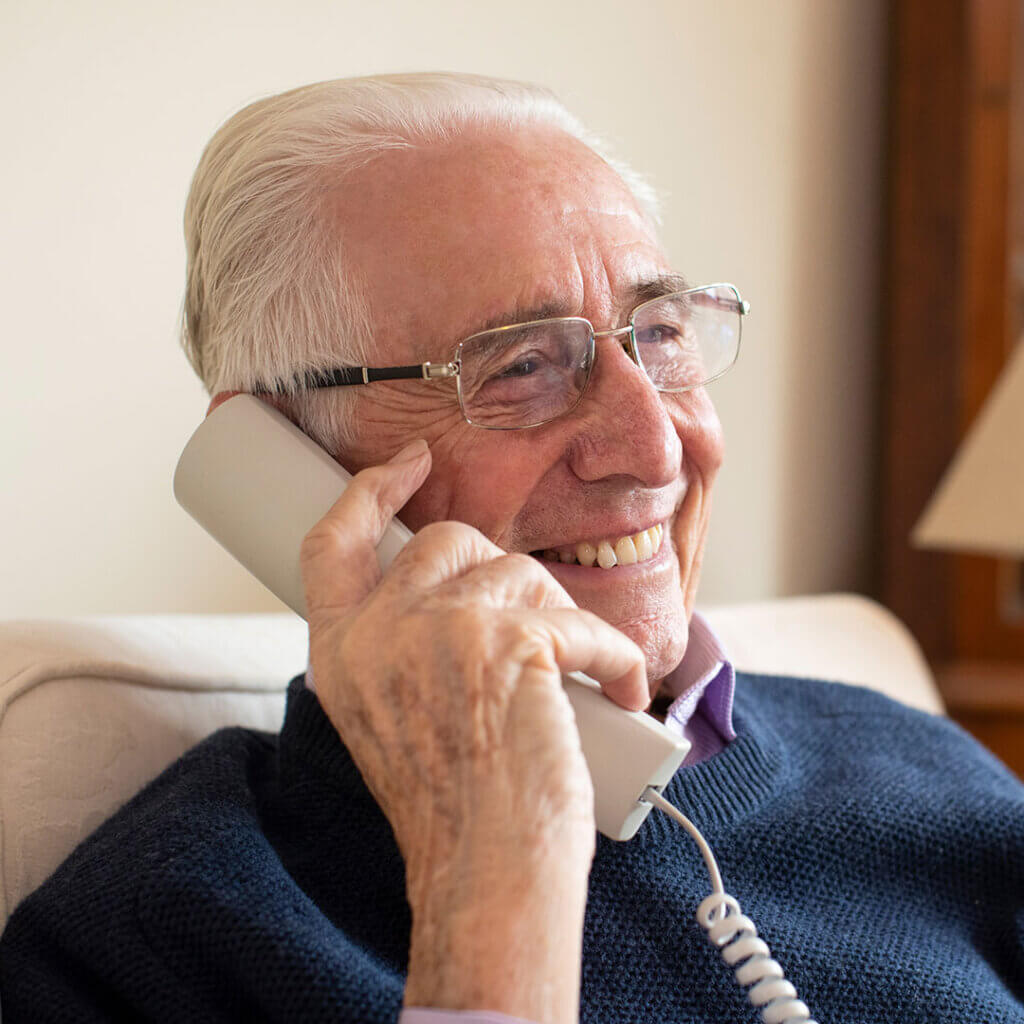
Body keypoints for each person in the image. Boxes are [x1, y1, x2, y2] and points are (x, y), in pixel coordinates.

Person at [1, 73, 1022, 1024]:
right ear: (281, 460)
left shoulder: (926, 769)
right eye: (523, 363)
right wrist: (488, 897)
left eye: (659, 332)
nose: (655, 442)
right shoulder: (157, 940)